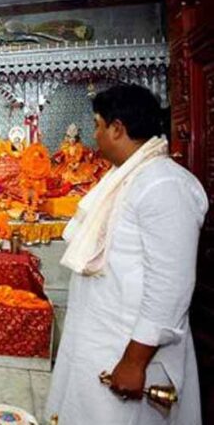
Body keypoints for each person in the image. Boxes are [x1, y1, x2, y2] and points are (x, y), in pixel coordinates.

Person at [45, 84, 207, 424]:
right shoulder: (125, 178)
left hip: (131, 349)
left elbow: (171, 286)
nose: (94, 135)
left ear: (117, 128)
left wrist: (135, 361)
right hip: (103, 338)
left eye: (98, 125)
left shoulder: (164, 185)